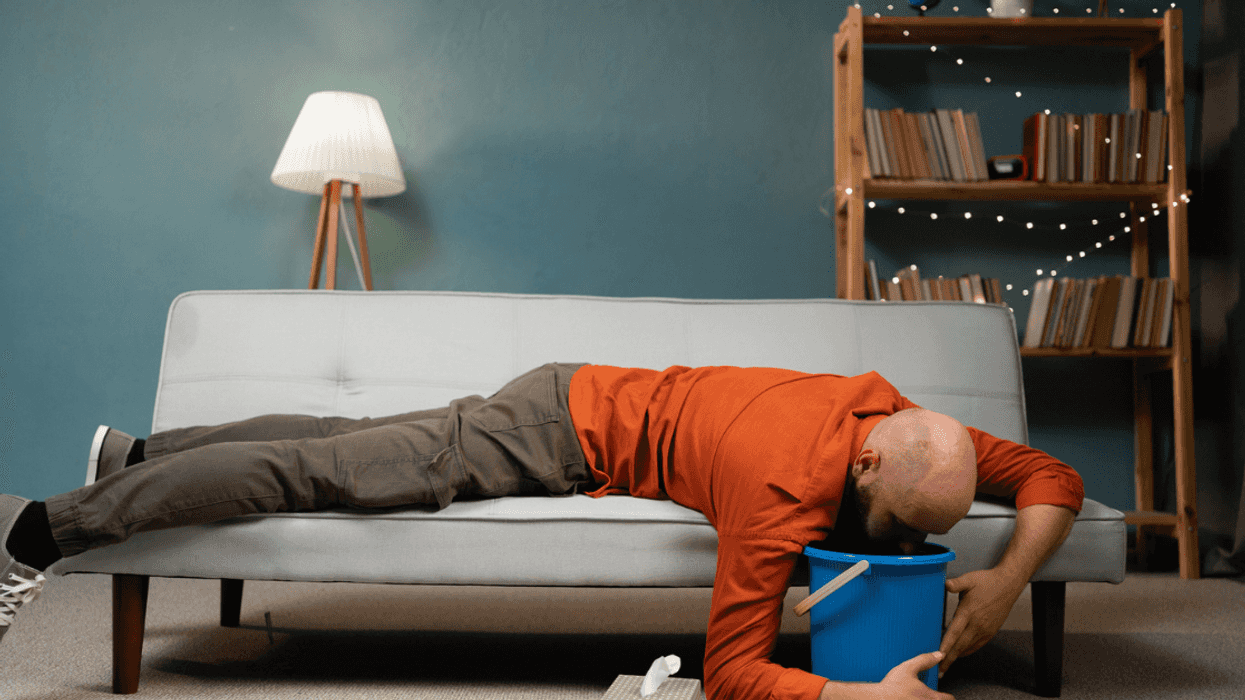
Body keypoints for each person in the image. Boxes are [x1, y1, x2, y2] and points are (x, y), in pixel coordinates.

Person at [1, 363, 1083, 700]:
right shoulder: (782, 491)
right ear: (862, 463)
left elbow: (1051, 475)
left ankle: (140, 456)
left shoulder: (903, 425)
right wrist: (858, 697)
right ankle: (48, 530)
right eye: (894, 527)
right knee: (317, 469)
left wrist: (999, 580)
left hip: (575, 388)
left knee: (344, 439)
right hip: (554, 433)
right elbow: (735, 676)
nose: (899, 547)